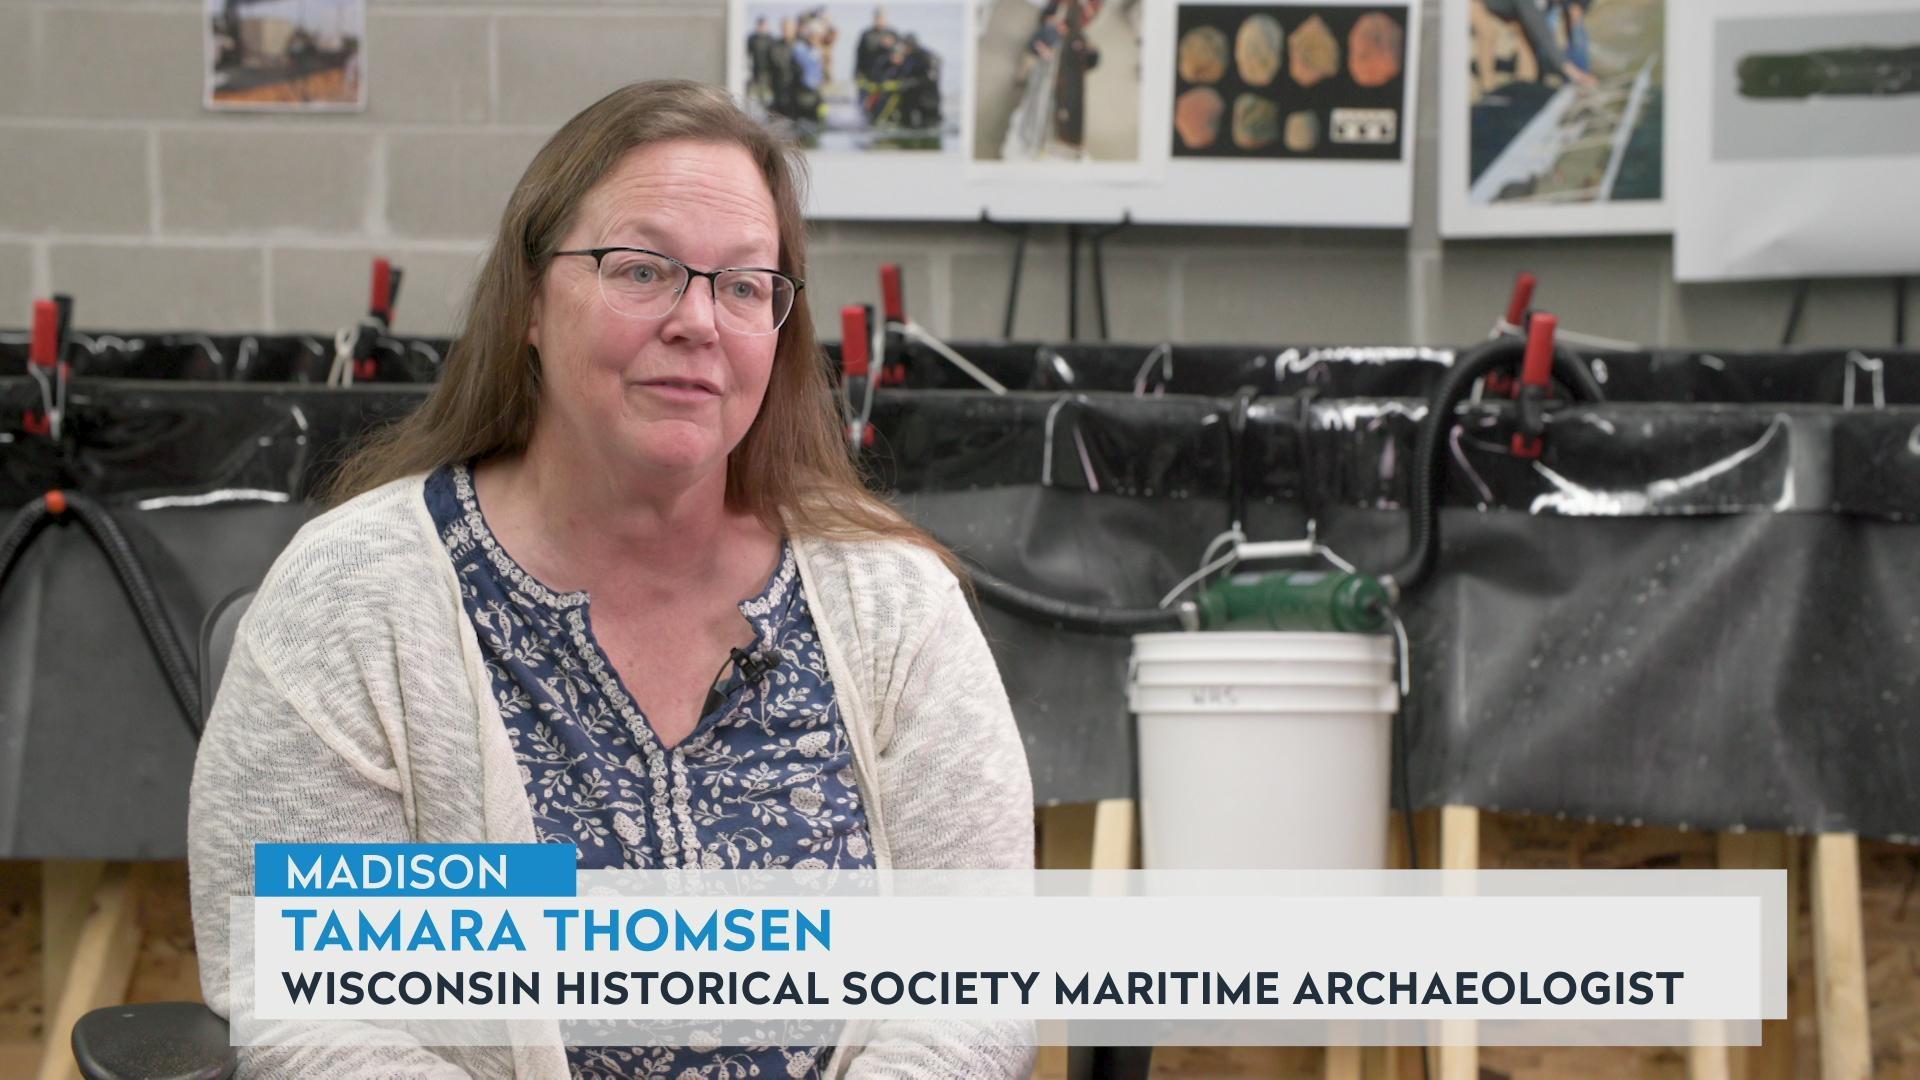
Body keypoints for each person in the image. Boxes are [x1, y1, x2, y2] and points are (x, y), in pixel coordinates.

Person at [187, 79, 1036, 1079]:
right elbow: (315, 1017)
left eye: (745, 285)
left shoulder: (894, 609)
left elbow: (971, 989)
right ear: (532, 304)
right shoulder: (355, 601)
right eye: (641, 270)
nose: (698, 321)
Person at [1471, 0, 1597, 94]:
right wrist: (1573, 72)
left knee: (1526, 42)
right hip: (1477, 3)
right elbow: (1544, 36)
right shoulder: (1528, 4)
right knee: (1488, 33)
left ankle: (1525, 87)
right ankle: (1488, 88)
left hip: (1507, 7)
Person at [746, 15, 775, 103]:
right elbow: (748, 54)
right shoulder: (752, 39)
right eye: (760, 25)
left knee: (766, 97)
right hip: (754, 72)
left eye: (763, 25)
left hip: (767, 73)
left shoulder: (770, 39)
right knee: (753, 96)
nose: (762, 27)